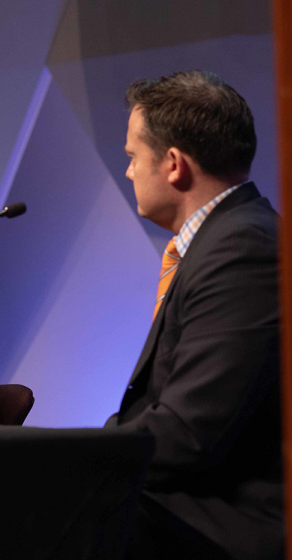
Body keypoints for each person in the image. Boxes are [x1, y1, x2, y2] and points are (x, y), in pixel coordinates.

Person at [108, 71, 282, 560]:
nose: (128, 173)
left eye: (131, 157)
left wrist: (80, 458)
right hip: (187, 501)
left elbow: (189, 434)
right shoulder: (223, 241)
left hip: (228, 520)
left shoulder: (244, 248)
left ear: (173, 165)